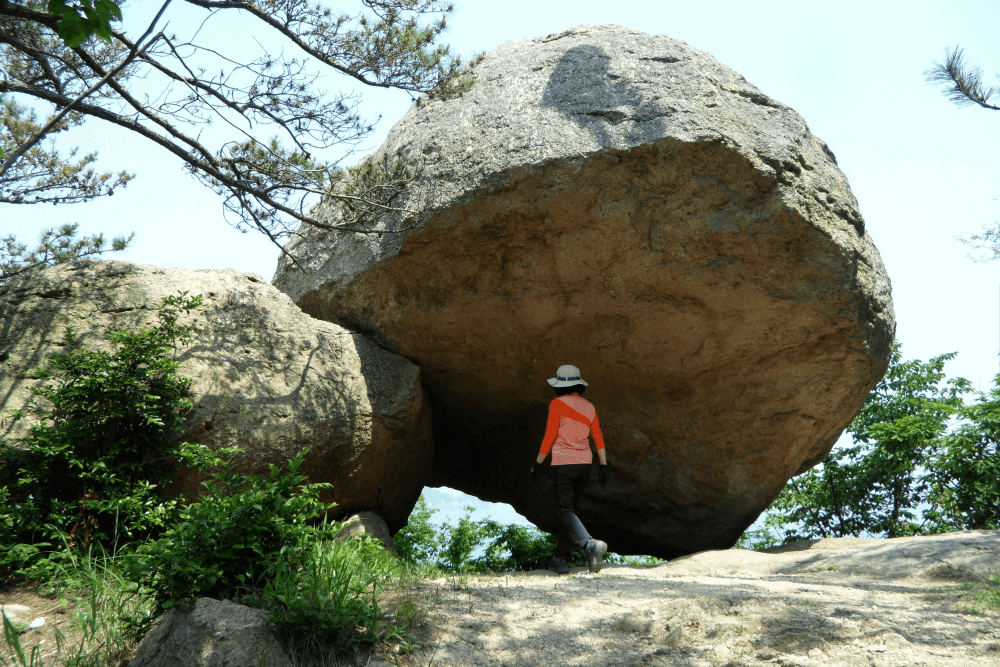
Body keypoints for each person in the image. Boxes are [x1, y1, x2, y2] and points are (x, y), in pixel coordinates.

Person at [530, 364, 610, 574]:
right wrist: (603, 465)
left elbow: (549, 437)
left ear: (560, 386)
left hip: (564, 464)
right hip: (585, 465)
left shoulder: (557, 404)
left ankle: (589, 545)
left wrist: (538, 462)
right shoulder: (589, 407)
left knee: (564, 510)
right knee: (569, 512)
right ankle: (561, 559)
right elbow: (598, 438)